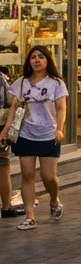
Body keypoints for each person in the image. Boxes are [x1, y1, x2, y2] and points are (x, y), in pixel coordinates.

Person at [2, 46, 67, 230]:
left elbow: (61, 108)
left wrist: (60, 129)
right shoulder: (21, 83)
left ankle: (54, 200)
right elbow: (14, 108)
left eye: (41, 57)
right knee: (27, 174)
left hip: (48, 134)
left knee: (49, 177)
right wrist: (6, 129)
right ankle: (30, 216)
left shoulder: (56, 83)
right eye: (33, 57)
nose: (36, 60)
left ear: (47, 60)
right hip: (25, 133)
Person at [0, 68, 14, 219]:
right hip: (0, 129)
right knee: (3, 167)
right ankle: (5, 207)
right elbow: (9, 103)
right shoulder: (1, 79)